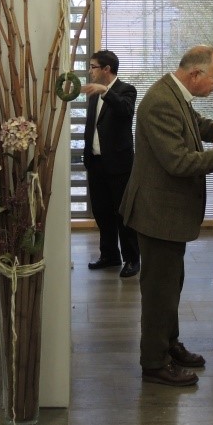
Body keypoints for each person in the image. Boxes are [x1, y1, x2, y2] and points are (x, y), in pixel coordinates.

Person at [121, 46, 213, 387]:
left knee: (170, 285)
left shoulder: (174, 93)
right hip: (157, 213)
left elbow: (198, 125)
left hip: (166, 212)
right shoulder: (161, 102)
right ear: (195, 74)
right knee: (159, 292)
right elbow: (178, 161)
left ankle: (169, 344)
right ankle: (154, 363)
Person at [82, 50, 139, 278]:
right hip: (96, 162)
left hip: (119, 164)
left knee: (123, 214)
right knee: (101, 211)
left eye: (93, 67)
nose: (90, 71)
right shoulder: (94, 93)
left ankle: (132, 258)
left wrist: (105, 91)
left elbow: (126, 110)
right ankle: (109, 255)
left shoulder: (126, 90)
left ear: (106, 69)